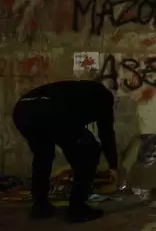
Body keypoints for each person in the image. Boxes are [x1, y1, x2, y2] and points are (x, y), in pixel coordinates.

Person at [13, 80, 119, 222]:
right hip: (52, 111)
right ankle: (77, 208)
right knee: (90, 152)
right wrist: (113, 166)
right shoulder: (104, 100)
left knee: (43, 155)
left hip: (23, 110)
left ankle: (40, 206)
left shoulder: (80, 90)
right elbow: (106, 134)